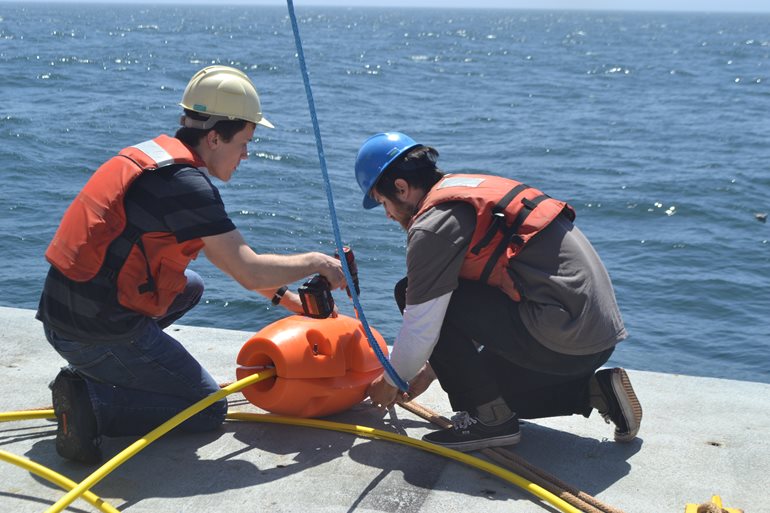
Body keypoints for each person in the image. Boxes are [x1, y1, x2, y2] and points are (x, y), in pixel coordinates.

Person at [37, 66, 347, 464]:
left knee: (192, 285)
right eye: (244, 143)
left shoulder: (156, 160)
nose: (247, 155)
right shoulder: (187, 186)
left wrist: (288, 301)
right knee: (206, 407)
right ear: (215, 137)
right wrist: (317, 261)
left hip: (63, 315)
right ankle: (92, 402)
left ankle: (111, 369)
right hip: (94, 330)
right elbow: (248, 268)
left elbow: (230, 262)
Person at [356, 132, 641, 452]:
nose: (388, 216)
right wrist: (428, 373)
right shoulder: (465, 191)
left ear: (401, 188)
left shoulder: (432, 227)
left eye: (384, 204)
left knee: (409, 292)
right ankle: (597, 390)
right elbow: (483, 301)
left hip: (560, 336)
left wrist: (391, 381)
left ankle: (490, 423)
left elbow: (422, 326)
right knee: (489, 392)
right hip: (595, 338)